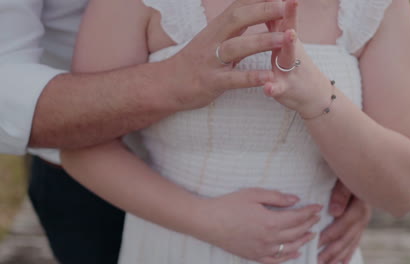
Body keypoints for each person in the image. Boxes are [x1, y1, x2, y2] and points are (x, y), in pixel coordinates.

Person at [0, 0, 371, 263]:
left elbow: (396, 167)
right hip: (85, 172)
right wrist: (169, 83)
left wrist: (357, 165)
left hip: (312, 233)